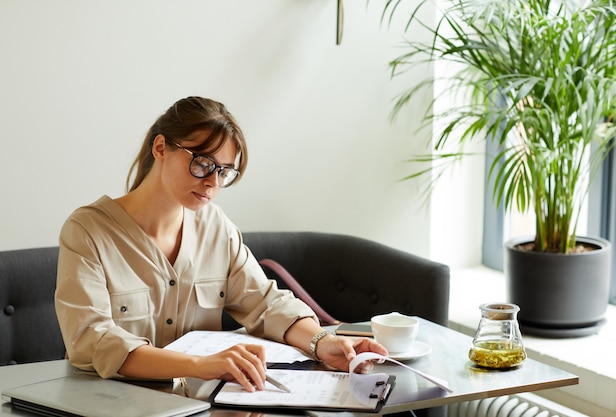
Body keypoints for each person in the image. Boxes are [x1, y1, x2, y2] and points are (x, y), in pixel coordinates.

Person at [54, 96, 387, 392]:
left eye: (225, 171)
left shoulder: (216, 227)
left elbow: (266, 304)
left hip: (203, 404)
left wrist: (322, 343)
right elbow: (91, 340)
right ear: (161, 148)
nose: (213, 182)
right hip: (110, 403)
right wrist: (201, 366)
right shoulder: (87, 231)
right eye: (202, 164)